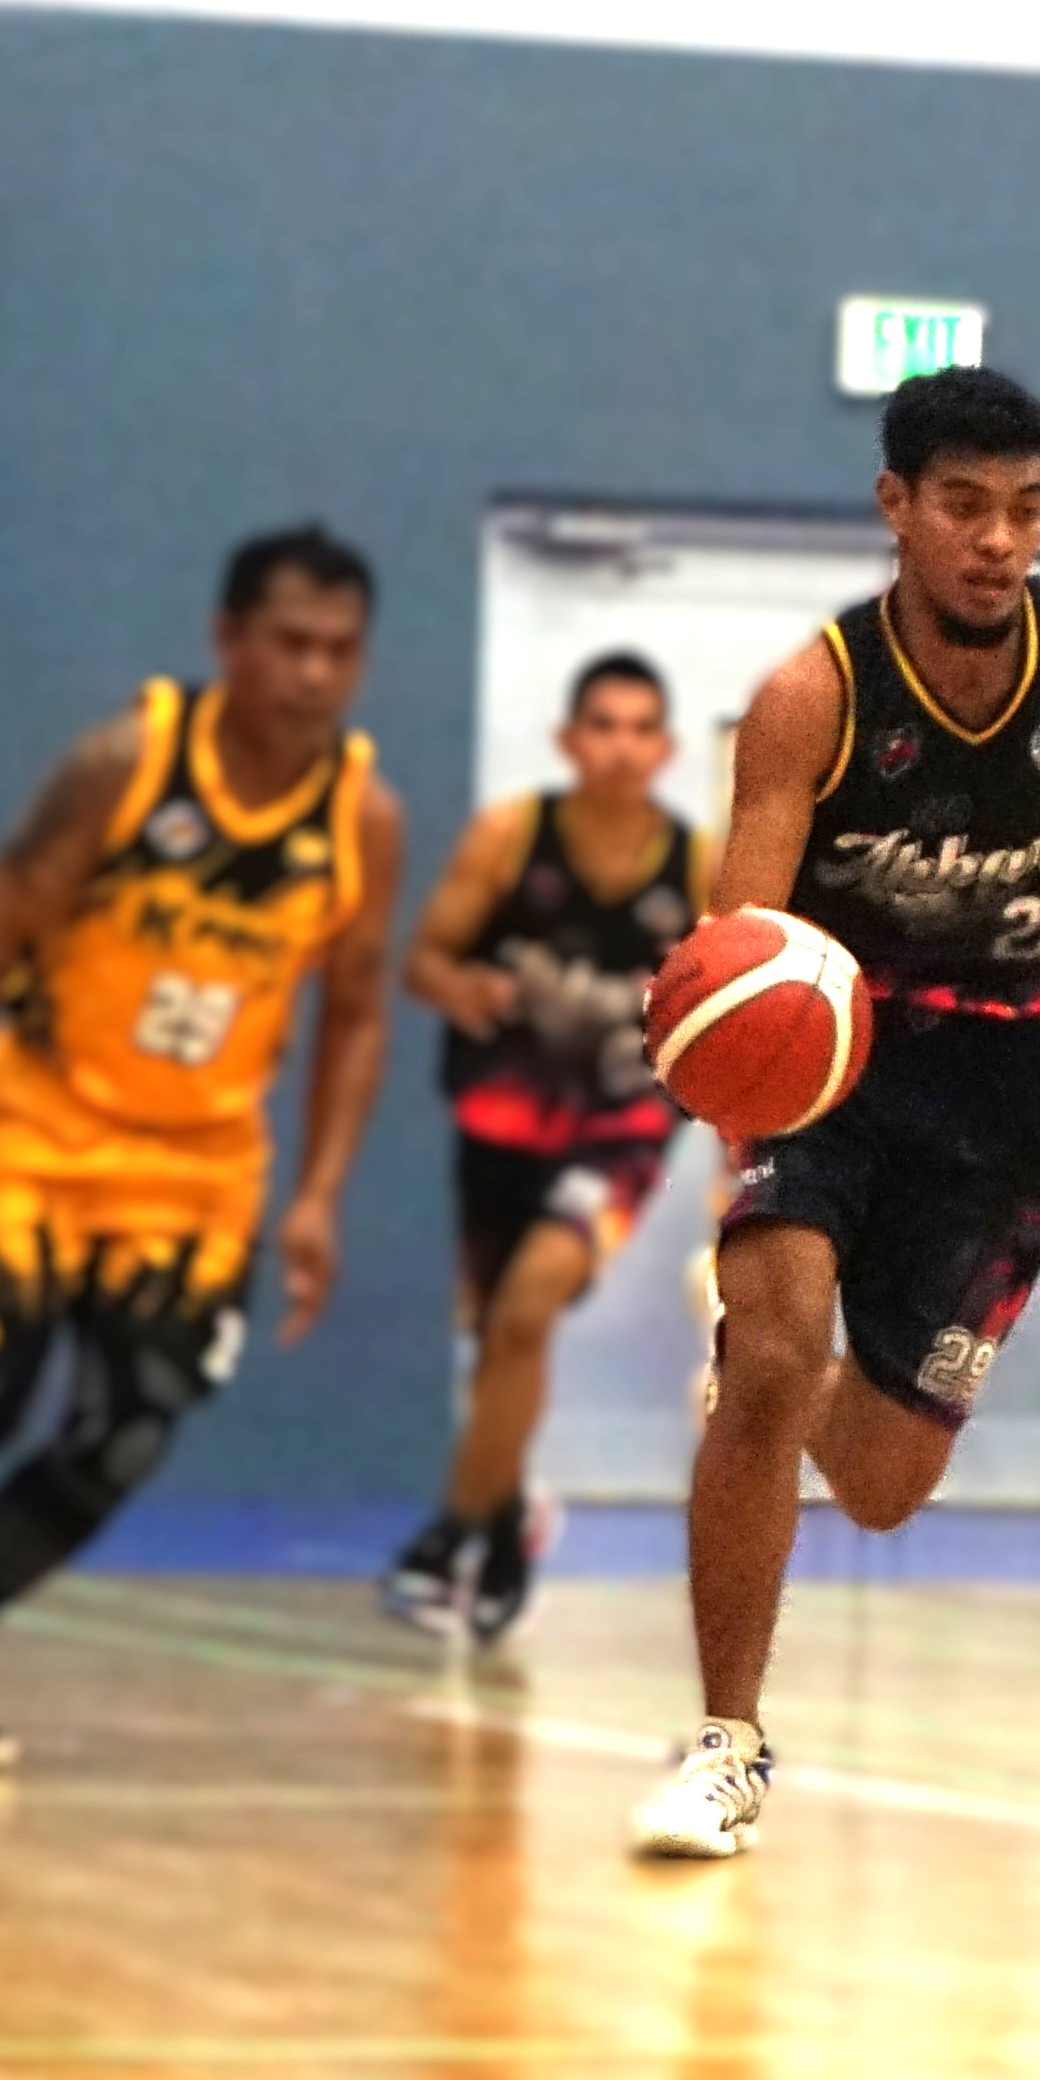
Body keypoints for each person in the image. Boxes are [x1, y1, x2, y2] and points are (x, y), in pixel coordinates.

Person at [631, 367, 1040, 1858]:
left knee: (887, 1486)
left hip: (1005, 1084)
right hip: (830, 1061)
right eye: (965, 505)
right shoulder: (813, 693)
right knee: (772, 1355)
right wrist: (732, 1092)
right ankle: (725, 1743)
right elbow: (739, 927)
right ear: (896, 505)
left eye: (1024, 508)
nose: (998, 540)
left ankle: (778, 1376)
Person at [0, 525, 404, 1772]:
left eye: (339, 651)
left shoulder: (362, 819)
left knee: (129, 1433)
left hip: (197, 1171)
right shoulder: (126, 764)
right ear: (229, 640)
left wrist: (320, 1195)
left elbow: (354, 1014)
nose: (312, 674)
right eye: (288, 643)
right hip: (39, 1125)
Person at [381, 651, 707, 1645]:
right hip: (503, 1115)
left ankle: (449, 1536)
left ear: (665, 748)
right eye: (600, 725)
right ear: (571, 740)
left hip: (622, 1128)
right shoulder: (511, 837)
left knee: (526, 1310)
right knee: (498, 1340)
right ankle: (511, 1519)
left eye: (638, 727)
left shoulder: (697, 866)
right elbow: (422, 961)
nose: (618, 745)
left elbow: (740, 1003)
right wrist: (460, 987)